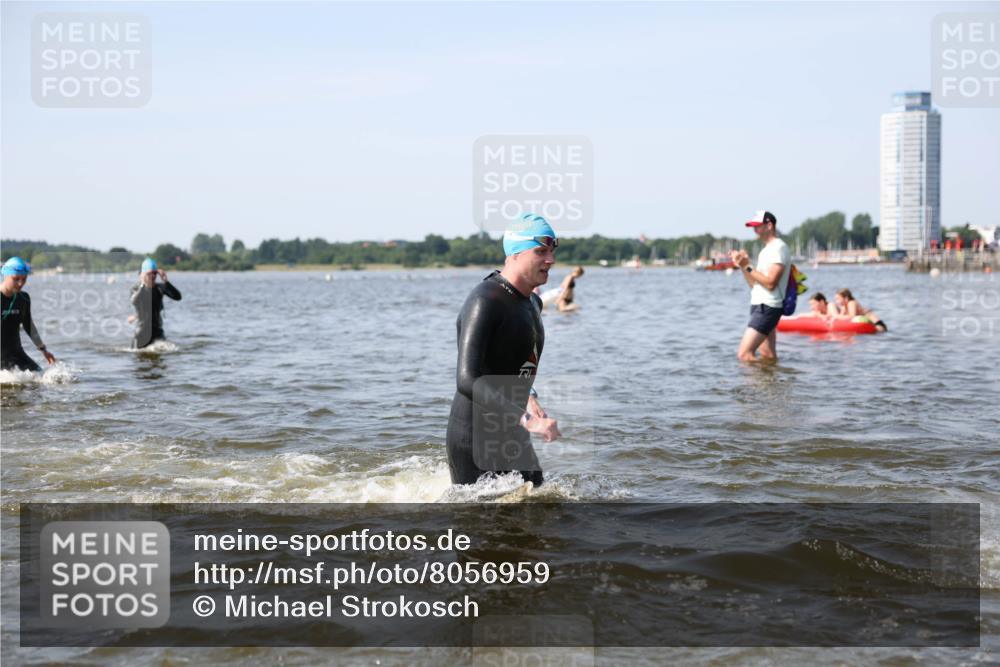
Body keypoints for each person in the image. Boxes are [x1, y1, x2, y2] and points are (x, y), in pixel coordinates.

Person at [446, 213, 562, 487]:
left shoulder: (533, 301)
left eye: (552, 252)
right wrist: (528, 420)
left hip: (512, 428)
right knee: (484, 526)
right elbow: (467, 378)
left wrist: (529, 395)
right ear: (515, 254)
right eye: (540, 251)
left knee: (539, 509)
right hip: (474, 438)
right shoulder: (485, 300)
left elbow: (515, 358)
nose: (551, 260)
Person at [728, 210, 791, 362]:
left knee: (744, 355)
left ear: (769, 225)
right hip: (760, 305)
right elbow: (755, 285)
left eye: (757, 226)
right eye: (752, 226)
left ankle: (754, 386)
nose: (754, 229)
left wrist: (748, 266)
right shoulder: (766, 250)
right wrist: (744, 265)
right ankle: (771, 384)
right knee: (768, 356)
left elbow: (770, 283)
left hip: (768, 307)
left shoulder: (778, 248)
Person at [1, 257, 57, 372]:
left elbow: (29, 326)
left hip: (17, 354)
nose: (21, 283)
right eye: (16, 279)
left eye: (24, 279)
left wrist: (43, 350)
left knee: (42, 378)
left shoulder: (24, 298)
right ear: (5, 275)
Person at [128, 258, 182, 349]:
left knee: (163, 358)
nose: (152, 276)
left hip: (158, 333)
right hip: (141, 333)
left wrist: (166, 282)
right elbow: (134, 301)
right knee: (139, 361)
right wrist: (143, 284)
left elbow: (178, 297)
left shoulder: (160, 288)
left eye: (154, 273)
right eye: (149, 274)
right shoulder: (136, 289)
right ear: (143, 274)